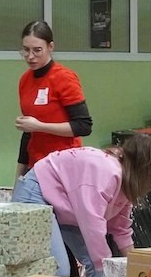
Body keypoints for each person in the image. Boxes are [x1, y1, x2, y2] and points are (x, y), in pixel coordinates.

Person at [12, 134, 151, 277]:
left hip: (62, 202)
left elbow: (121, 228)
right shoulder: (108, 173)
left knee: (95, 263)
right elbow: (92, 223)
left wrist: (136, 265)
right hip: (36, 191)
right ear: (144, 162)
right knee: (59, 269)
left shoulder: (127, 181)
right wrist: (105, 265)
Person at [16, 20, 93, 179]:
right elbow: (28, 133)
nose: (30, 56)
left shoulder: (64, 77)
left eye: (37, 50)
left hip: (64, 165)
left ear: (50, 47)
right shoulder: (25, 80)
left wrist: (40, 126)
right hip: (36, 165)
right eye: (26, 50)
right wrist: (19, 177)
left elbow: (83, 126)